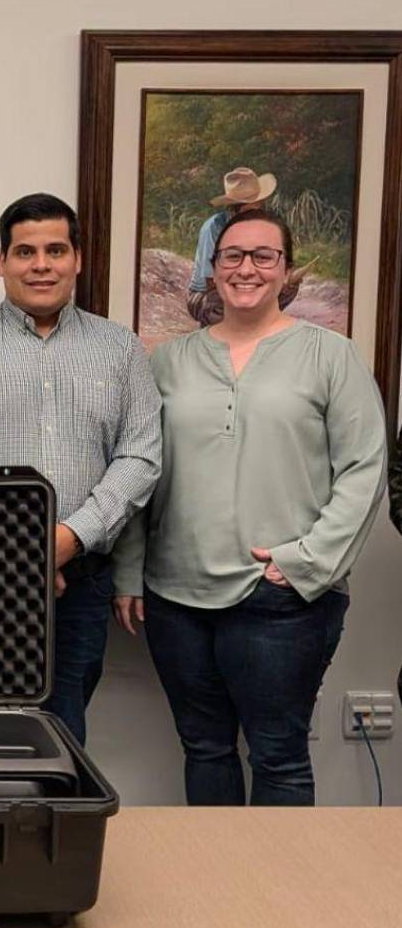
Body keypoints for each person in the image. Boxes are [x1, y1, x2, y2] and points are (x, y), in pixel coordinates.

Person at [114, 210, 386, 805]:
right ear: (213, 269)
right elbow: (139, 472)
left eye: (264, 256)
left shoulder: (332, 356)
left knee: (279, 757)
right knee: (204, 748)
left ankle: (277, 874)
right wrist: (130, 571)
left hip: (283, 598)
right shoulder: (166, 362)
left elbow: (364, 469)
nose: (247, 268)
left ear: (287, 270)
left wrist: (308, 561)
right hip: (176, 597)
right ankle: (219, 870)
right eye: (232, 256)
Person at [0, 193, 161, 745]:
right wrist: (21, 552)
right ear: (2, 261)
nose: (41, 265)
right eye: (25, 251)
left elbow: (140, 456)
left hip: (81, 581)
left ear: (78, 259)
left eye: (55, 250)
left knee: (63, 732)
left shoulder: (120, 349)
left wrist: (69, 539)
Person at [186, 166, 299, 326]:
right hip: (209, 294)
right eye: (250, 209)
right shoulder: (214, 227)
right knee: (220, 306)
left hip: (243, 286)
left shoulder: (261, 226)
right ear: (234, 209)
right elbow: (211, 281)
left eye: (259, 207)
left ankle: (254, 322)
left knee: (289, 287)